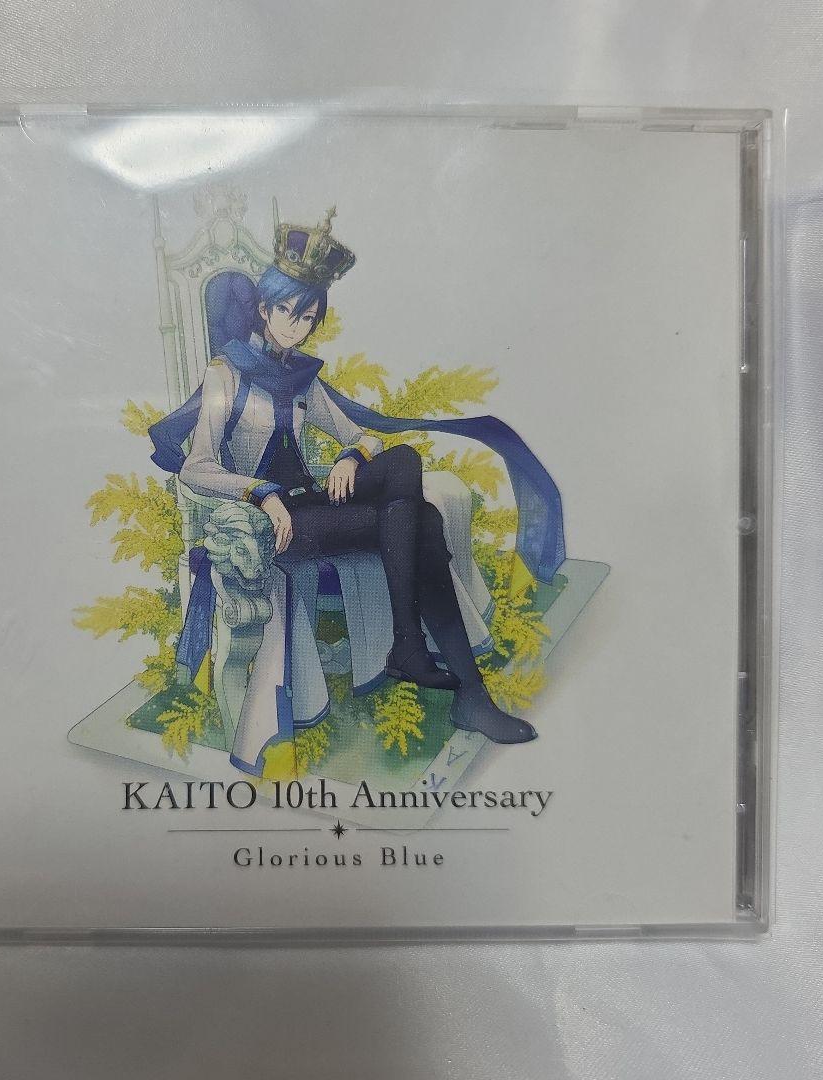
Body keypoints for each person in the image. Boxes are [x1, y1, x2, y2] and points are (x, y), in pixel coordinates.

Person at [152, 208, 566, 745]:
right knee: (422, 524)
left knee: (404, 460)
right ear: (263, 309)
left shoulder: (301, 377)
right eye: (286, 312)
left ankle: (412, 650)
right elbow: (197, 467)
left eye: (307, 318)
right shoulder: (224, 374)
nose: (296, 327)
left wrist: (350, 457)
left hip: (311, 499)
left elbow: (364, 437)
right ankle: (457, 687)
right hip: (274, 523)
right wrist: (261, 493)